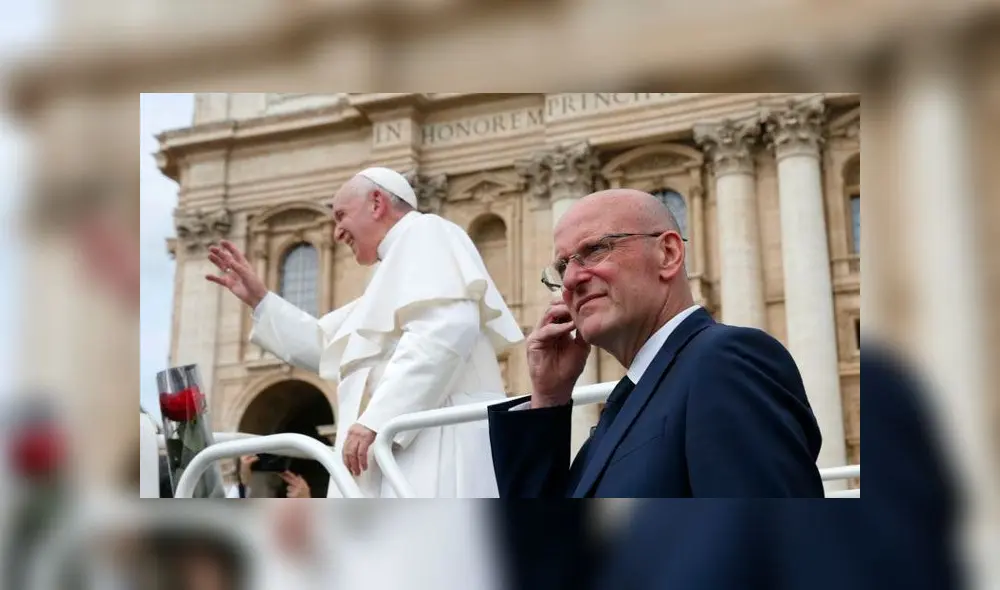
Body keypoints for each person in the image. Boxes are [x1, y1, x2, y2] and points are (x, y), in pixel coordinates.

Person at [206, 167, 523, 498]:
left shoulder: (426, 232)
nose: (337, 232)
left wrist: (377, 419)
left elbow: (445, 328)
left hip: (437, 446)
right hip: (403, 450)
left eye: (341, 215)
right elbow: (329, 347)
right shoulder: (389, 272)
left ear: (376, 203)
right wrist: (260, 300)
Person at [487, 188, 824, 498]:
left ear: (668, 253)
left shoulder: (725, 361)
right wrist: (548, 401)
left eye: (595, 249)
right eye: (562, 266)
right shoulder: (629, 400)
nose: (572, 279)